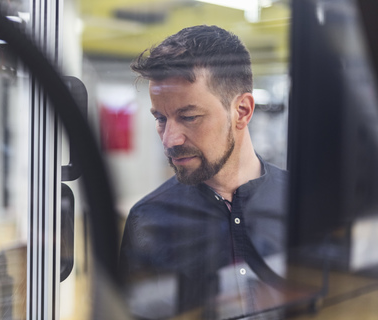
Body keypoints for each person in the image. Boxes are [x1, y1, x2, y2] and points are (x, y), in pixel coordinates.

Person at [119, 25, 289, 320]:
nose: (169, 139)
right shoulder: (147, 220)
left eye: (189, 117)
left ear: (242, 111)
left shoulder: (301, 203)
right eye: (161, 118)